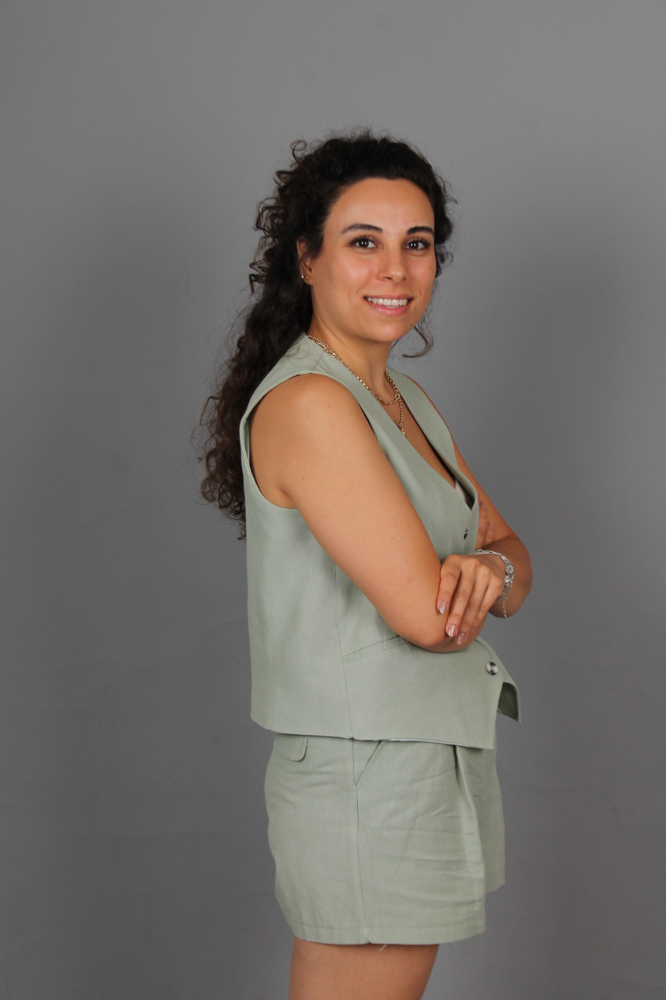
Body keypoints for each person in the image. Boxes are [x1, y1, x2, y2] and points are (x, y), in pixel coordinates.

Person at [199, 131, 532, 1000]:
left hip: (411, 762)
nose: (395, 269)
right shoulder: (312, 402)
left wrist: (489, 572)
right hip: (367, 777)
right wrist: (481, 577)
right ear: (307, 260)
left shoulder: (401, 397)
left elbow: (511, 556)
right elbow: (430, 616)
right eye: (363, 242)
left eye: (416, 243)